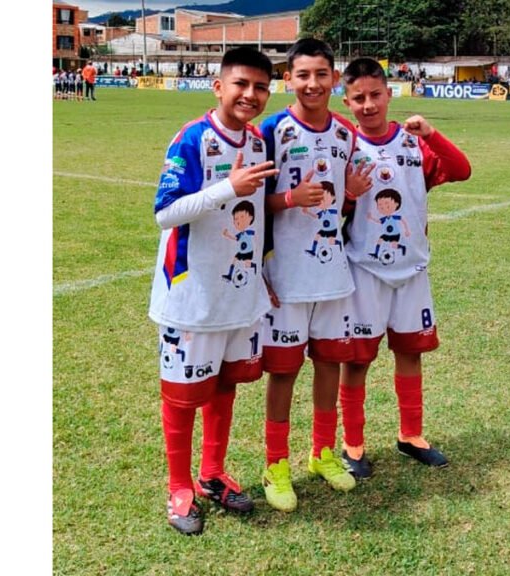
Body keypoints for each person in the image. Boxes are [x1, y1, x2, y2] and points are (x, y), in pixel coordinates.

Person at [148, 46, 280, 536]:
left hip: (240, 295)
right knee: (183, 398)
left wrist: (262, 273)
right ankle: (180, 487)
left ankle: (212, 473)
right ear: (218, 86)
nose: (250, 95)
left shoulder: (259, 143)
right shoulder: (192, 138)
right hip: (191, 294)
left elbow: (260, 220)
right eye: (241, 84)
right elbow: (165, 213)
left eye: (261, 87)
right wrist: (229, 187)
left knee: (225, 385)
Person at [337, 57, 471, 480]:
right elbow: (332, 211)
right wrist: (351, 195)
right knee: (357, 359)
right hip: (365, 270)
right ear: (347, 101)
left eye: (376, 95)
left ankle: (411, 435)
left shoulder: (413, 143)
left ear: (389, 94)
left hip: (412, 269)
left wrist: (432, 133)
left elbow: (461, 170)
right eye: (358, 98)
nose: (369, 105)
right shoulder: (345, 146)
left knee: (410, 352)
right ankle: (352, 442)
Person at [257, 37, 366, 512]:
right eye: (303, 75)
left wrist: (351, 196)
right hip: (287, 277)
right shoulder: (272, 130)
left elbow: (338, 205)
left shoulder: (345, 133)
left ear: (334, 78)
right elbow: (248, 202)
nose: (312, 83)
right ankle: (275, 464)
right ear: (289, 79)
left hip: (333, 274)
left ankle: (323, 451)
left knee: (328, 363)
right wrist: (286, 199)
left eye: (321, 74)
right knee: (283, 373)